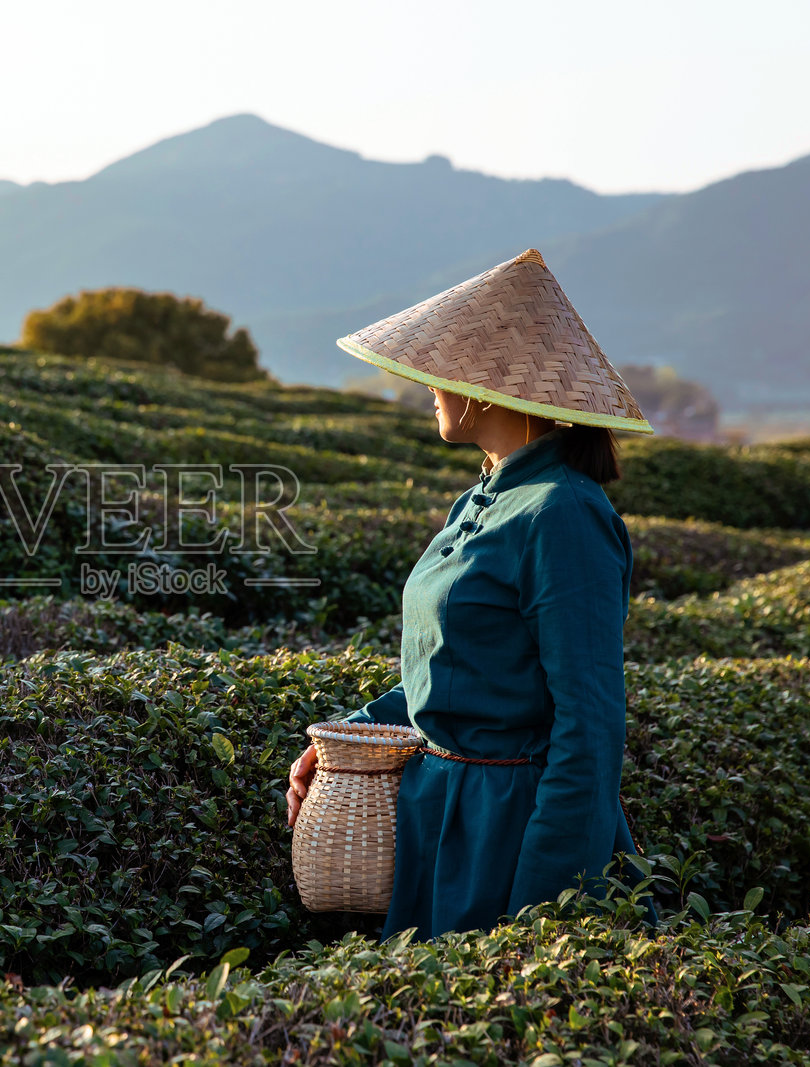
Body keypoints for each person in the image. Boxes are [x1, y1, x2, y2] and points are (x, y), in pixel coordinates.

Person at [286, 248, 656, 941]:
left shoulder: (564, 513)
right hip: (440, 813)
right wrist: (347, 737)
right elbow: (455, 668)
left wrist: (544, 901)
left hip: (509, 828)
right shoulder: (480, 499)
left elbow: (591, 725)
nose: (427, 388)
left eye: (437, 372)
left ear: (484, 386)